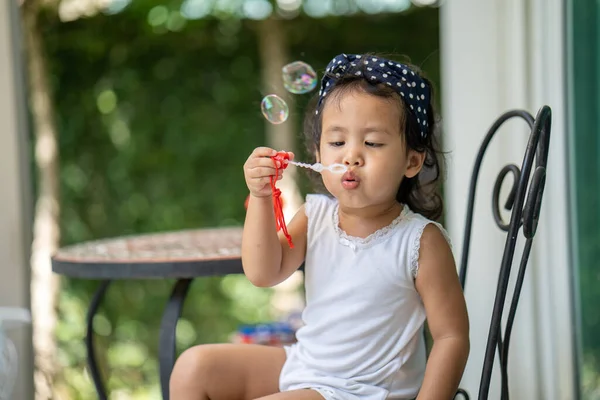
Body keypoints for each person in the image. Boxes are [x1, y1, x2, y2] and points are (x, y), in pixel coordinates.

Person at [170, 53, 469, 400]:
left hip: (362, 392)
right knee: (194, 368)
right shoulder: (316, 217)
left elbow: (451, 336)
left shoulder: (419, 241)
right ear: (317, 154)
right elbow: (263, 273)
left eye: (372, 143)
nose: (351, 156)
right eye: (337, 142)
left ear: (412, 161)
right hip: (306, 366)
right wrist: (261, 197)